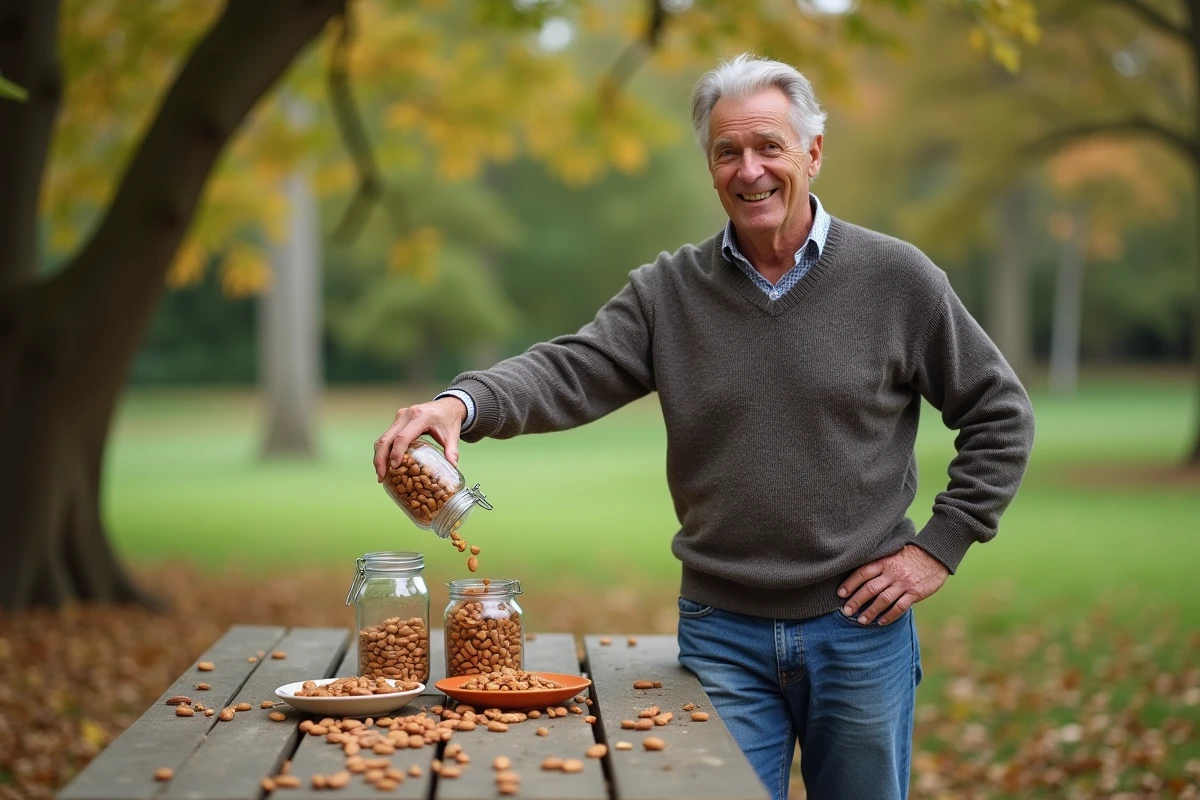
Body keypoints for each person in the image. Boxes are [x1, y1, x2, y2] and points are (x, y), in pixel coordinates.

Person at [373, 53, 1035, 800]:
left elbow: (1000, 413)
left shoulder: (897, 279)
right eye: (728, 152)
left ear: (813, 153)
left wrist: (939, 548)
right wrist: (461, 404)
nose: (749, 170)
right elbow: (569, 369)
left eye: (769, 147)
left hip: (860, 631)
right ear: (711, 168)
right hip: (722, 632)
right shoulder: (669, 293)